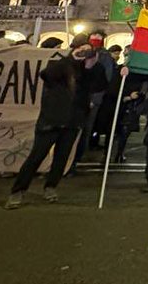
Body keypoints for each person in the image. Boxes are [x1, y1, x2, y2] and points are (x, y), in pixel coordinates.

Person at [6, 34, 111, 208]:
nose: (85, 53)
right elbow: (47, 75)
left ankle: (51, 186)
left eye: (88, 50)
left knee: (62, 157)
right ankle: (18, 190)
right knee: (36, 156)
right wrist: (73, 60)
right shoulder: (59, 64)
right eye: (81, 49)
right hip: (52, 119)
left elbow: (100, 86)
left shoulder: (92, 69)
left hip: (74, 119)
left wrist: (91, 67)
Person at [67, 30, 118, 175]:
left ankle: (73, 162)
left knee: (84, 130)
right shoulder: (76, 56)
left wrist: (93, 98)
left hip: (91, 99)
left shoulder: (104, 58)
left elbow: (104, 80)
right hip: (72, 98)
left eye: (98, 39)